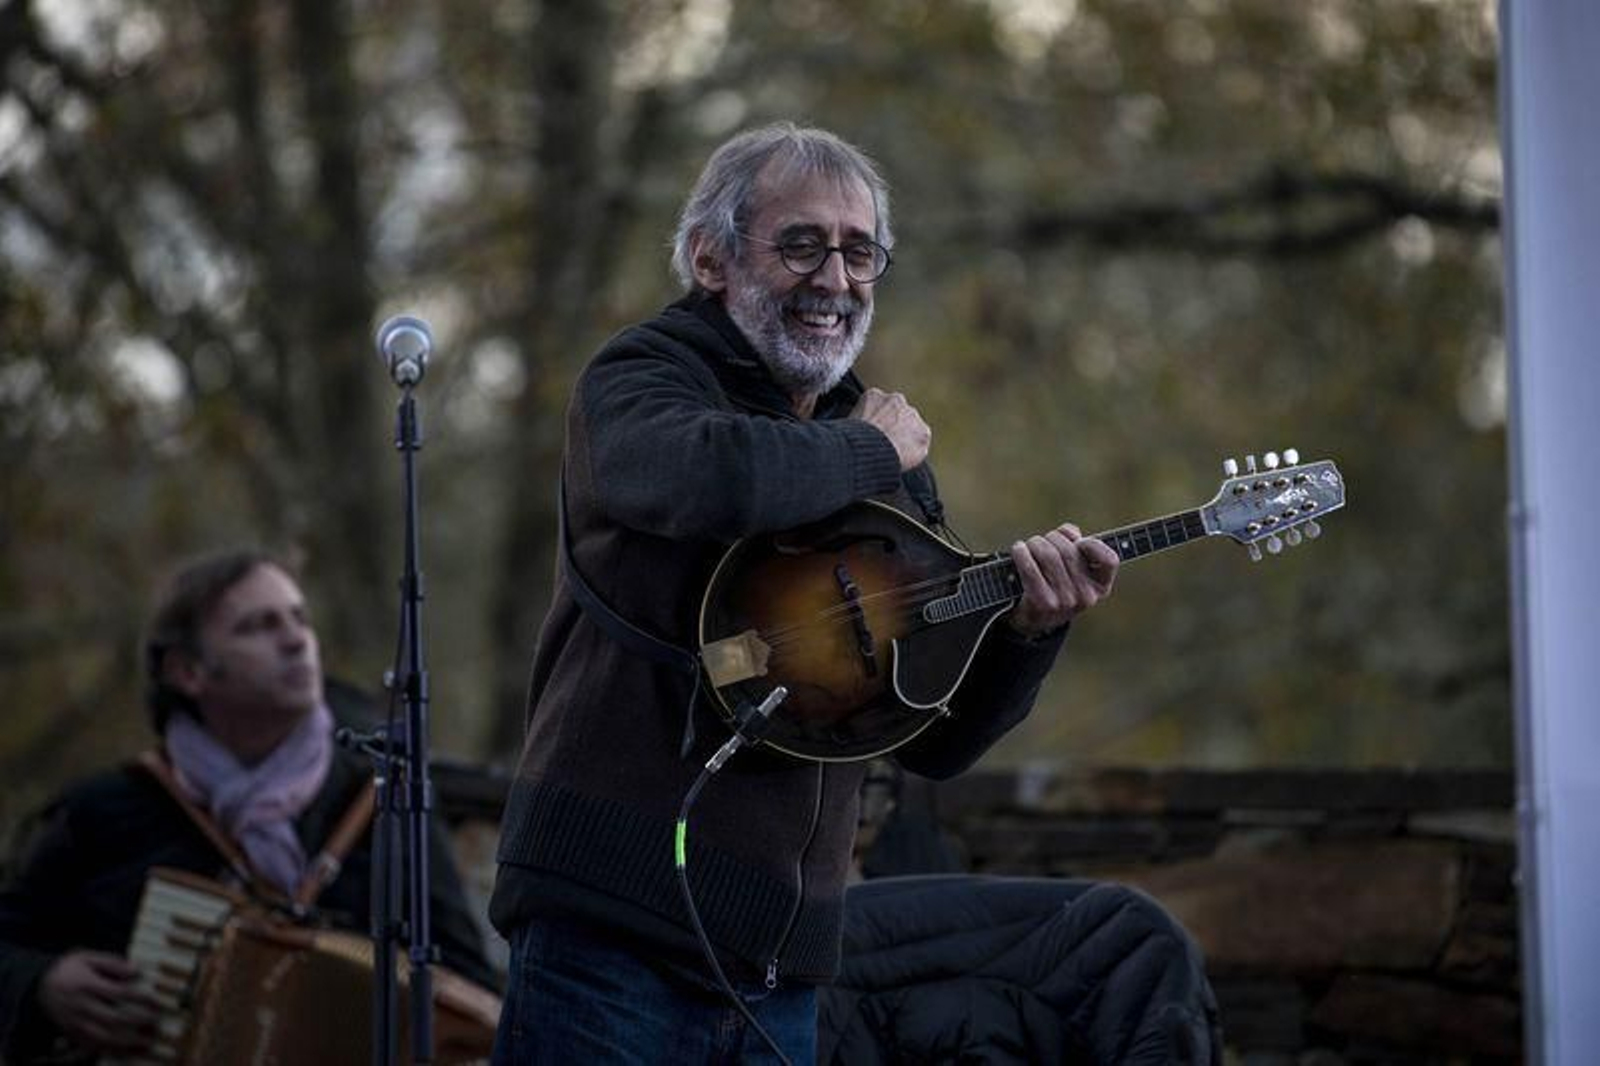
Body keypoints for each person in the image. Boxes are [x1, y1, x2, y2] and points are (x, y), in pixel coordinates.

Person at [487, 122, 1125, 1064]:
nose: (835, 278)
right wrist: (872, 450)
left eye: (860, 251)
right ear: (711, 257)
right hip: (608, 936)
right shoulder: (643, 378)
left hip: (779, 979)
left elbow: (934, 738)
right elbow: (714, 479)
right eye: (801, 244)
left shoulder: (879, 452)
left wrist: (1028, 631)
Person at [0, 550, 497, 1063]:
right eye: (257, 627)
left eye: (299, 618)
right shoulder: (106, 813)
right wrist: (43, 986)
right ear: (188, 671)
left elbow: (476, 993)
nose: (294, 640)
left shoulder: (384, 800)